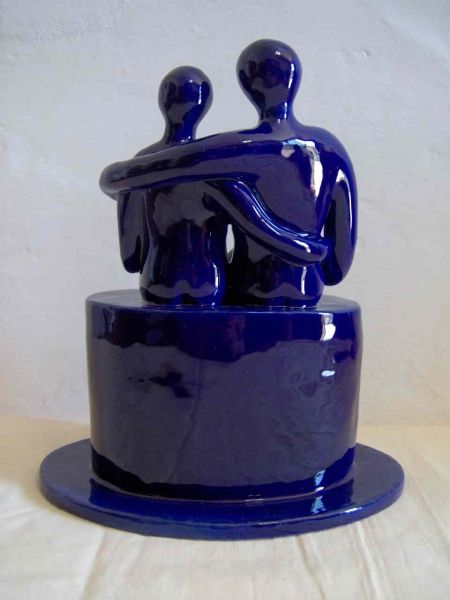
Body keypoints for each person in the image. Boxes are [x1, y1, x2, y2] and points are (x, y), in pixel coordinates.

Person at [102, 40, 355, 306]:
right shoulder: (330, 149)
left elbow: (131, 254)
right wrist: (310, 254)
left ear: (249, 85)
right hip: (306, 285)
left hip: (247, 284)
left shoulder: (235, 149)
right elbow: (337, 266)